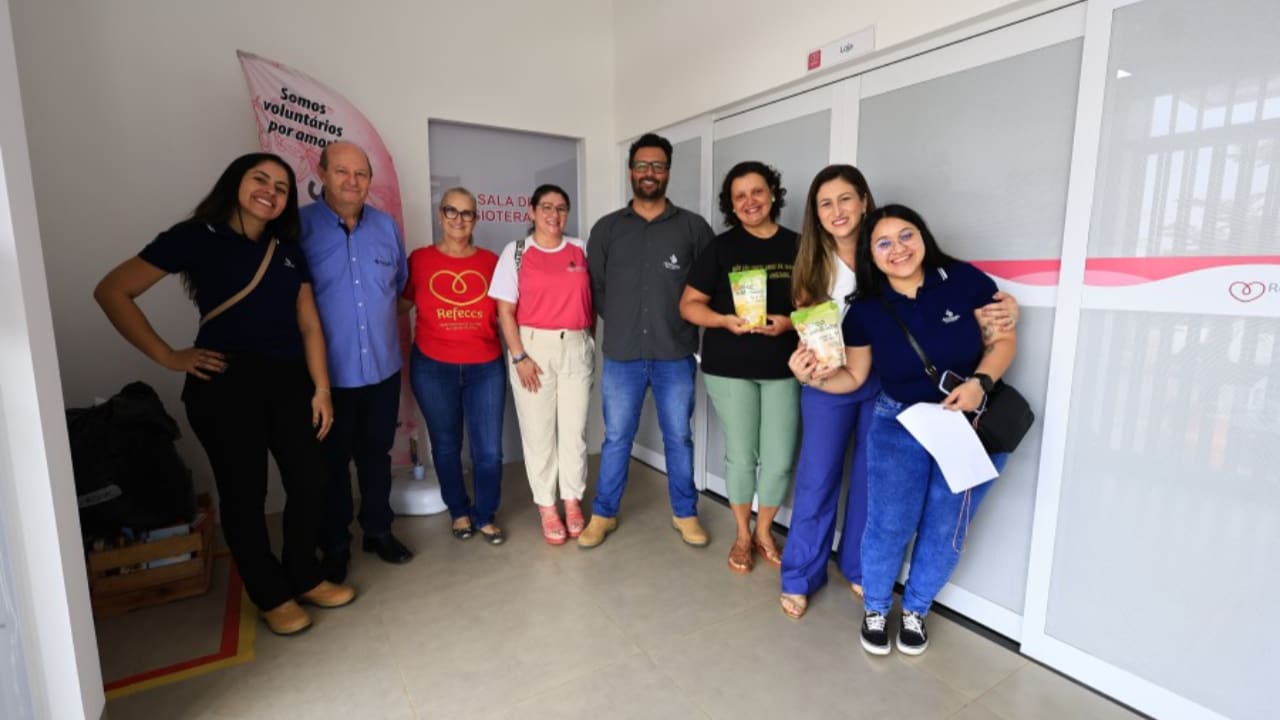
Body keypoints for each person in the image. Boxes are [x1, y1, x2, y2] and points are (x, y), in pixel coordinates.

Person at [94, 152, 355, 636]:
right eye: (260, 179)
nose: (271, 191)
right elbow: (112, 291)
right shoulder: (195, 237)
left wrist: (321, 388)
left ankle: (303, 573)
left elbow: (309, 324)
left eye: (281, 186)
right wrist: (170, 356)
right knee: (245, 493)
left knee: (311, 479)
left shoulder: (287, 248)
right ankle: (271, 593)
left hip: (290, 381)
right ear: (235, 183)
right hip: (224, 387)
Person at [779, 165, 1019, 619]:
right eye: (825, 203)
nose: (837, 211)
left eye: (846, 199)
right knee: (818, 477)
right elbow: (811, 333)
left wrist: (1008, 307)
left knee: (876, 488)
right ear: (816, 213)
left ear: (864, 201)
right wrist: (808, 370)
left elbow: (972, 313)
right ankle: (799, 574)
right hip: (835, 380)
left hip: (889, 388)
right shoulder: (811, 262)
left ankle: (861, 571)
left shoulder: (896, 253)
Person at [583, 133, 716, 549]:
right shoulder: (606, 229)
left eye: (657, 166)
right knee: (617, 437)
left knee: (679, 436)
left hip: (674, 354)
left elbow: (708, 286)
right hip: (622, 354)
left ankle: (685, 512)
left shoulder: (694, 228)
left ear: (668, 172)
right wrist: (623, 322)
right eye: (642, 165)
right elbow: (597, 290)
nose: (649, 173)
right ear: (630, 171)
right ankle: (604, 514)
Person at [679, 161, 799, 574]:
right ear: (731, 205)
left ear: (773, 194)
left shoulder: (798, 246)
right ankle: (743, 535)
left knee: (780, 457)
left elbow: (820, 307)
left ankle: (765, 531)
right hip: (729, 366)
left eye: (757, 192)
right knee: (741, 457)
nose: (750, 202)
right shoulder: (721, 248)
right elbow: (689, 305)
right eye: (740, 196)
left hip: (785, 367)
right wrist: (724, 321)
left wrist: (789, 322)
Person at [300, 141, 411, 582]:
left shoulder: (385, 227)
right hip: (328, 376)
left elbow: (398, 289)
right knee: (330, 464)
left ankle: (379, 531)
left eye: (361, 174)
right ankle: (336, 544)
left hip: (382, 369)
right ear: (322, 173)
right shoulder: (298, 228)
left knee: (376, 454)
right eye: (342, 172)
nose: (352, 181)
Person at [490, 184, 593, 545]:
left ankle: (572, 499)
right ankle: (547, 506)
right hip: (532, 349)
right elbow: (505, 310)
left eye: (561, 208)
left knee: (574, 430)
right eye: (546, 207)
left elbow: (593, 301)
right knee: (539, 433)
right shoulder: (516, 252)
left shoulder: (580, 249)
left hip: (576, 347)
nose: (554, 215)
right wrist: (519, 356)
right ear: (531, 211)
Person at [402, 188, 506, 544]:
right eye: (451, 211)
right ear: (440, 214)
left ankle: (485, 513)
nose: (459, 219)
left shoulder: (493, 262)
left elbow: (510, 312)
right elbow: (399, 304)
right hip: (433, 367)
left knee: (489, 450)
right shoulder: (418, 260)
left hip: (486, 367)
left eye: (467, 213)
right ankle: (459, 512)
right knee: (446, 445)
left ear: (476, 219)